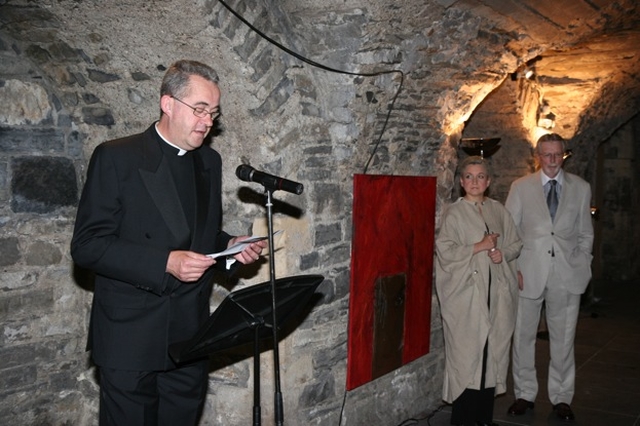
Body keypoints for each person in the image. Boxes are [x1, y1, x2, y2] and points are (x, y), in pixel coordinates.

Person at [70, 60, 267, 426]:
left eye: (214, 112)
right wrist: (165, 262)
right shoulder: (117, 157)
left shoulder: (209, 160)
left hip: (189, 336)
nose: (208, 121)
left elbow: (201, 237)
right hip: (130, 337)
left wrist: (230, 250)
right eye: (200, 109)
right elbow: (87, 245)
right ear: (168, 103)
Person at [505, 133, 594, 422]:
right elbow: (511, 232)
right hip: (528, 272)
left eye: (558, 154)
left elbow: (585, 232)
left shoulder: (581, 188)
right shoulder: (521, 187)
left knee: (564, 338)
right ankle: (524, 394)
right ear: (538, 156)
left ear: (563, 155)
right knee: (523, 337)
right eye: (547, 155)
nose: (553, 160)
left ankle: (561, 397)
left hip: (567, 274)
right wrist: (513, 268)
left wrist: (583, 260)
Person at [435, 156, 522, 426]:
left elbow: (516, 243)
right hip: (467, 297)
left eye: (480, 176)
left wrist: (502, 254)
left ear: (489, 181)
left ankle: (484, 417)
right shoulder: (454, 213)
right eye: (469, 177)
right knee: (467, 356)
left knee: (491, 353)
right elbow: (445, 250)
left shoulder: (498, 210)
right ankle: (463, 419)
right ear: (461, 182)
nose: (475, 181)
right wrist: (479, 246)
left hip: (495, 295)